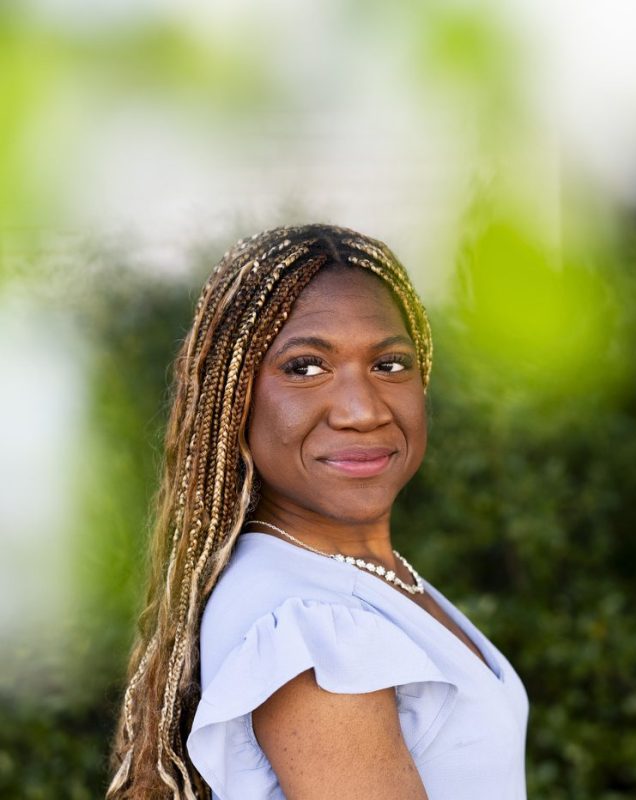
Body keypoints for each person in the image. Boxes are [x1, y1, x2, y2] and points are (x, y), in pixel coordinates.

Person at [108, 224, 529, 800]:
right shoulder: (308, 623)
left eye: (390, 364)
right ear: (235, 399)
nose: (362, 410)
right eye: (305, 367)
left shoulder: (346, 575)